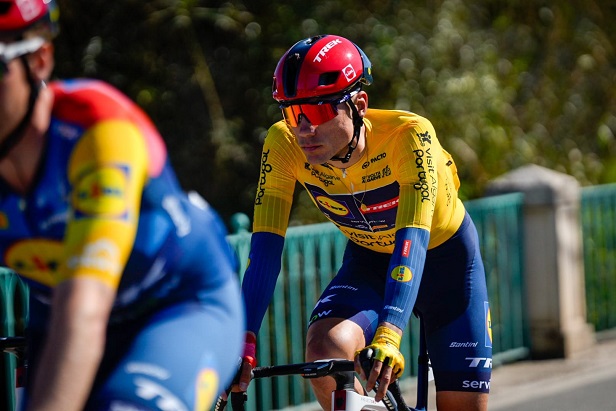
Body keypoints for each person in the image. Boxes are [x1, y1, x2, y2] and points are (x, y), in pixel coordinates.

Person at [0, 1, 244, 410]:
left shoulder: (97, 127)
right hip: (60, 314)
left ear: (39, 60)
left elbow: (84, 308)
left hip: (176, 305)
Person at [237, 34, 492, 410]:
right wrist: (242, 341)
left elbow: (412, 240)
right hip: (370, 260)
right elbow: (264, 252)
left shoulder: (409, 135)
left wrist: (389, 333)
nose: (303, 129)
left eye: (317, 112)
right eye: (291, 114)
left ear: (358, 104)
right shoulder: (283, 144)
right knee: (325, 352)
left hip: (444, 262)